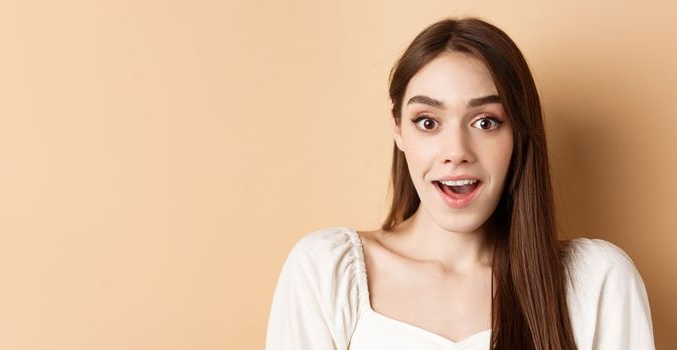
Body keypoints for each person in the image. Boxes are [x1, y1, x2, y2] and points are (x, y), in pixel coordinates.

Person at [264, 17, 655, 350]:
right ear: (398, 129)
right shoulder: (326, 271)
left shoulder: (597, 282)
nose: (456, 151)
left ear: (519, 132)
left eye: (485, 122)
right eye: (428, 122)